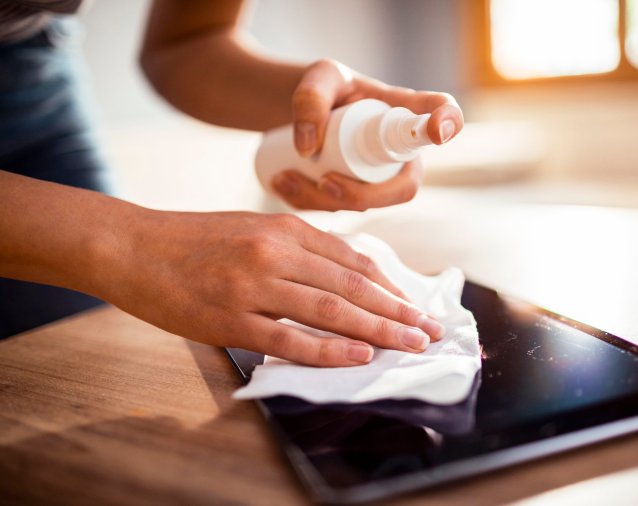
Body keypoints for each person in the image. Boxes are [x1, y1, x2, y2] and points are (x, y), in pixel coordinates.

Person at [0, 0, 464, 366]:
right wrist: (133, 245)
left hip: (31, 66)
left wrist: (318, 104)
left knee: (67, 361)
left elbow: (188, 43)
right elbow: (120, 249)